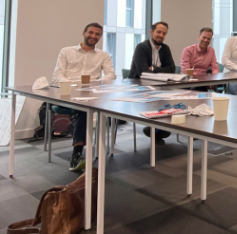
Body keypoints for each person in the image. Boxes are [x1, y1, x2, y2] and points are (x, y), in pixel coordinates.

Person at [51, 22, 116, 171]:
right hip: (68, 94)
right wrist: (73, 86)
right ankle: (77, 154)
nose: (93, 36)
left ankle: (78, 152)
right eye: (91, 33)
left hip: (91, 95)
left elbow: (111, 74)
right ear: (84, 33)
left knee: (85, 108)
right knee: (84, 110)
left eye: (97, 34)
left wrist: (96, 83)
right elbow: (57, 76)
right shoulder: (66, 51)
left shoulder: (103, 55)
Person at [129, 21, 175, 142]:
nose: (161, 35)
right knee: (157, 100)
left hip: (159, 86)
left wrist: (153, 68)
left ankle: (158, 128)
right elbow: (143, 72)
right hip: (139, 87)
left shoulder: (165, 48)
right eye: (158, 32)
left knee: (170, 99)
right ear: (151, 32)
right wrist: (160, 71)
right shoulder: (142, 47)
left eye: (164, 33)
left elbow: (172, 69)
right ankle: (155, 128)